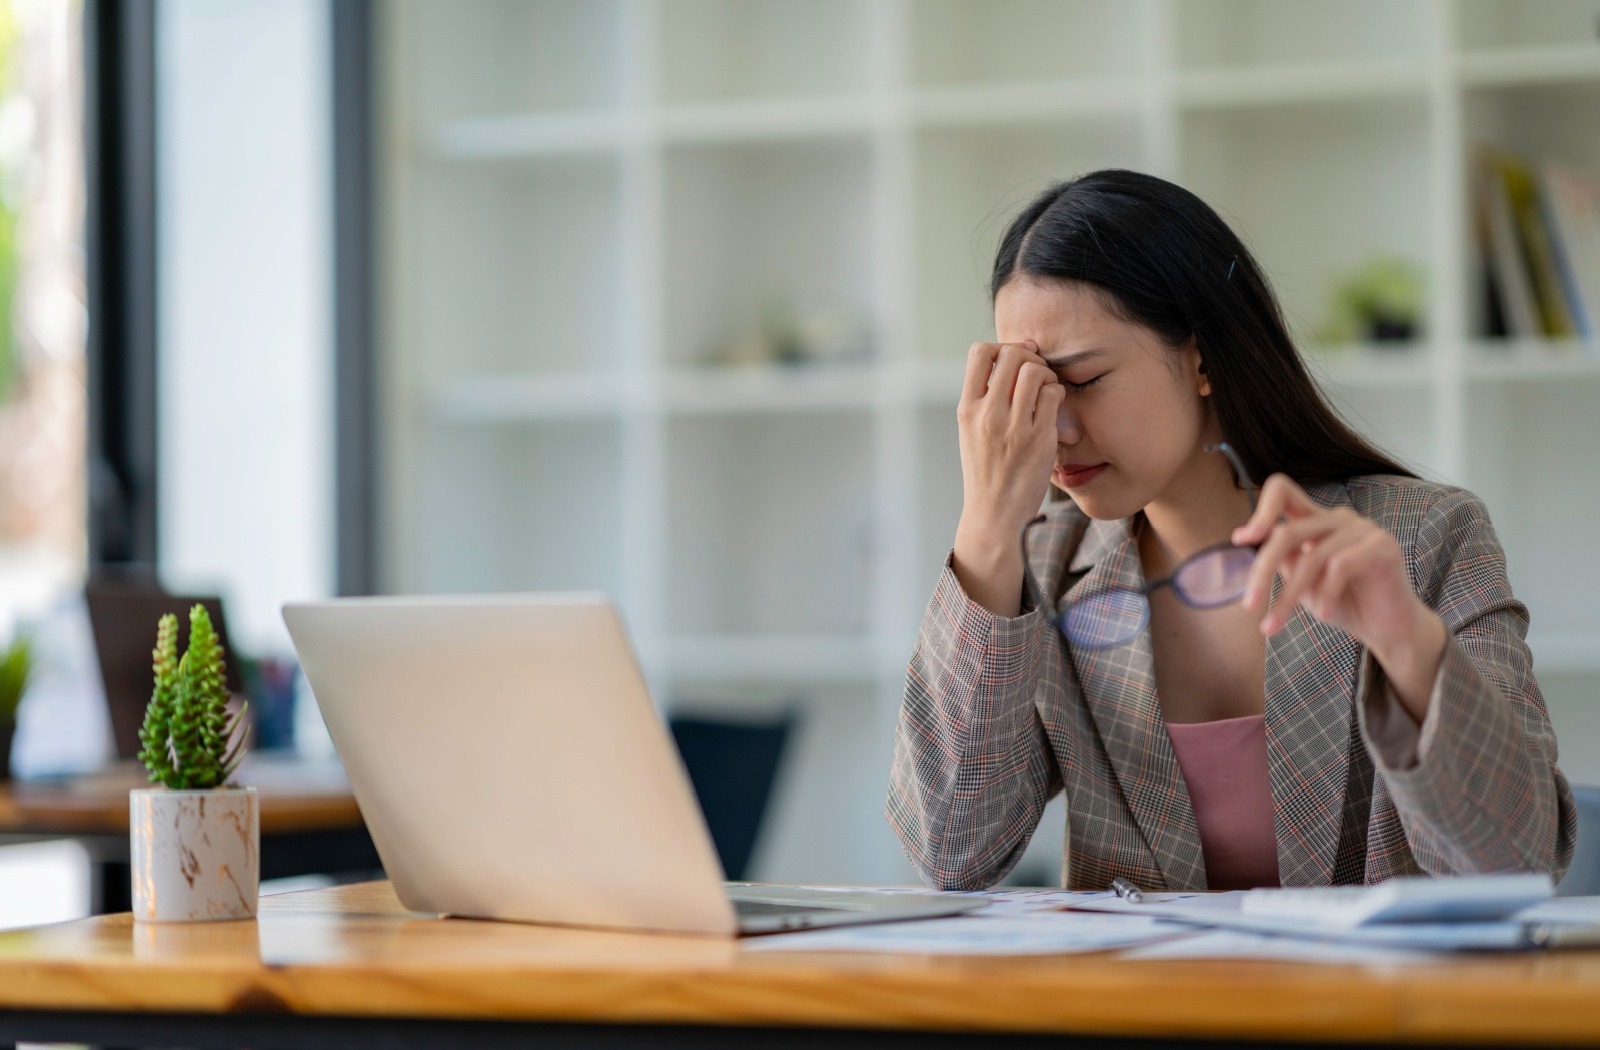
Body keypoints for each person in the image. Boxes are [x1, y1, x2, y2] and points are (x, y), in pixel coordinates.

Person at [887, 169, 1575, 892]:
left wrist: (1407, 641)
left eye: (1083, 380)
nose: (1055, 430)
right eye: (1030, 389)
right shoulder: (1041, 573)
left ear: (1203, 359)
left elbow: (1516, 862)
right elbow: (951, 852)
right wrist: (987, 526)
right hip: (1146, 1005)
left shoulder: (1427, 538)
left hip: (1372, 1004)